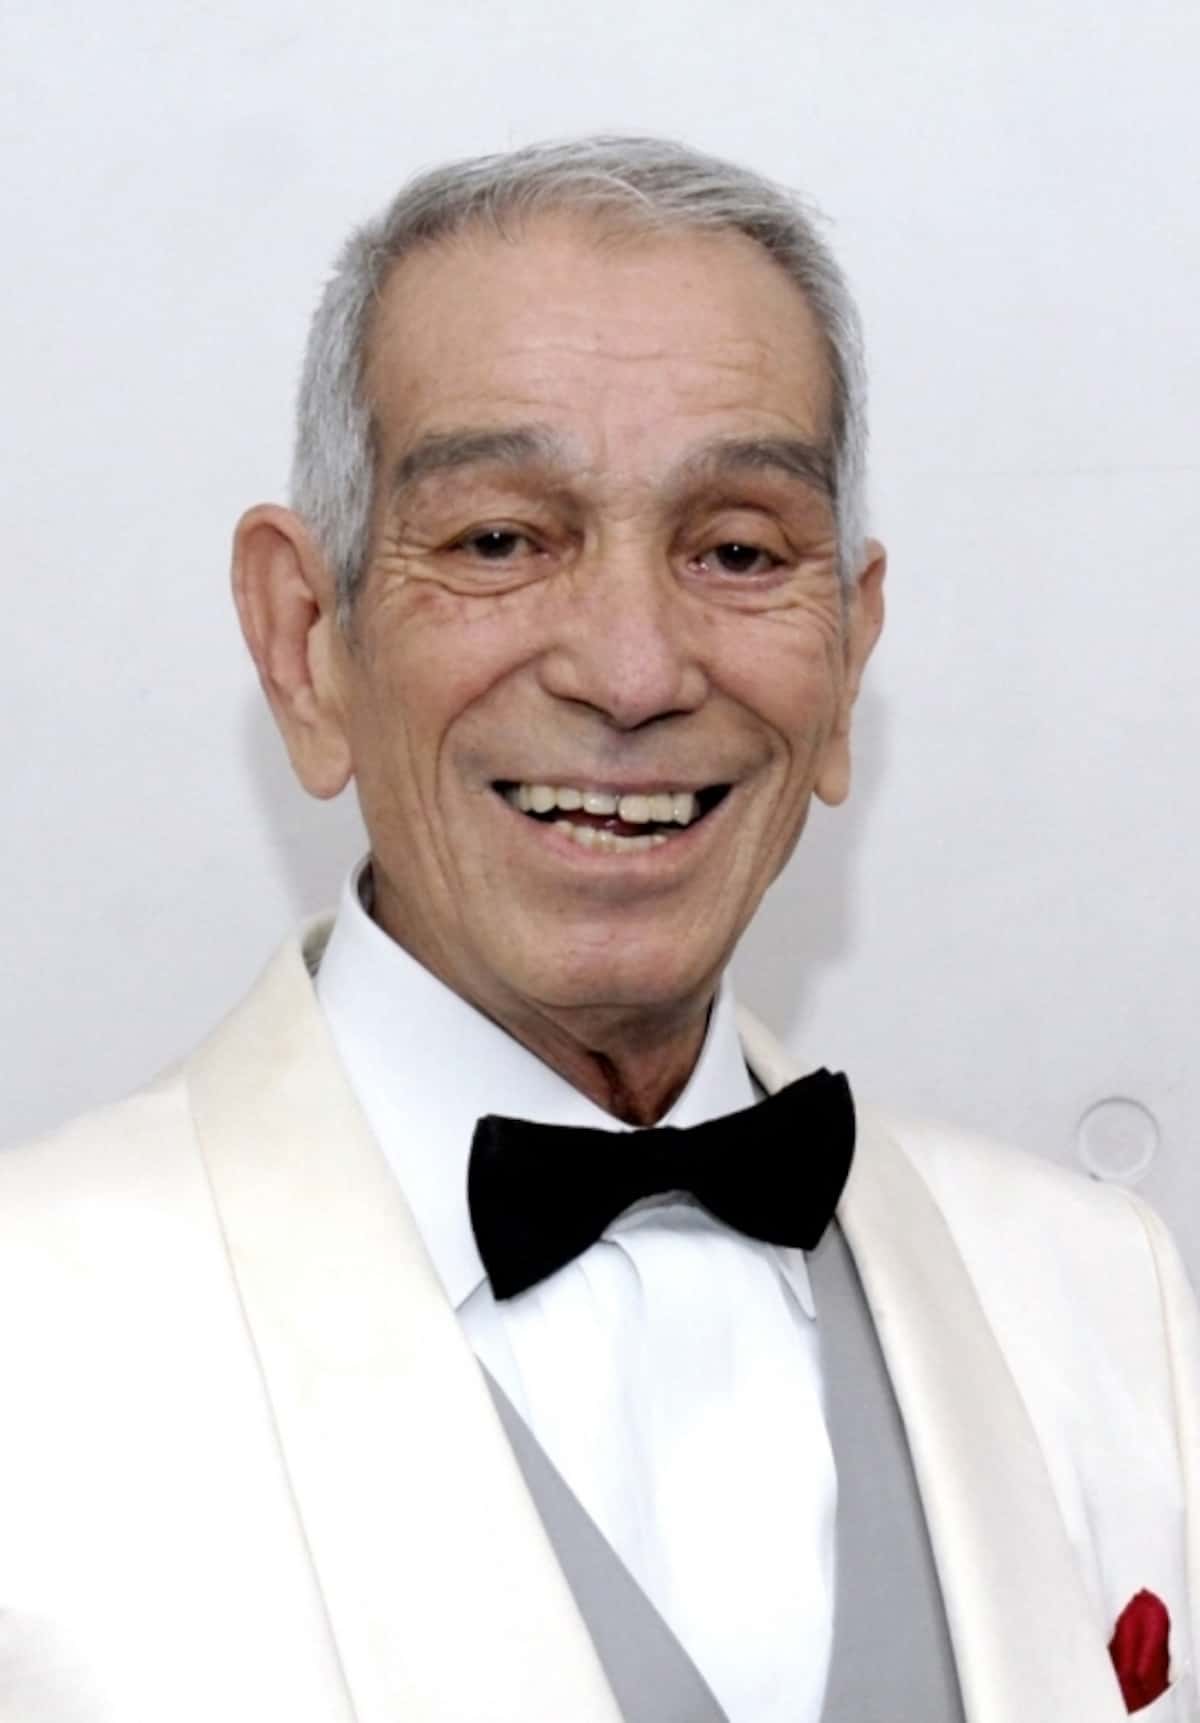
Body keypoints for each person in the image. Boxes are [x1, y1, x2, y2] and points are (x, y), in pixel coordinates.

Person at [0, 138, 1196, 1723]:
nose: (632, 671)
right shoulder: (27, 1339)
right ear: (307, 642)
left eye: (739, 551)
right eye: (502, 541)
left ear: (849, 657)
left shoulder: (1105, 1297)